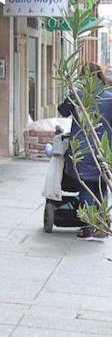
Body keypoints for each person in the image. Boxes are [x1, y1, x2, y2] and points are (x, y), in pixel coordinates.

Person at [58, 63, 112, 241]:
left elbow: (62, 111)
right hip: (104, 148)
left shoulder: (77, 95)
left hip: (81, 148)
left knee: (86, 186)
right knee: (102, 185)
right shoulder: (109, 97)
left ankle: (89, 226)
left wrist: (72, 91)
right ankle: (103, 222)